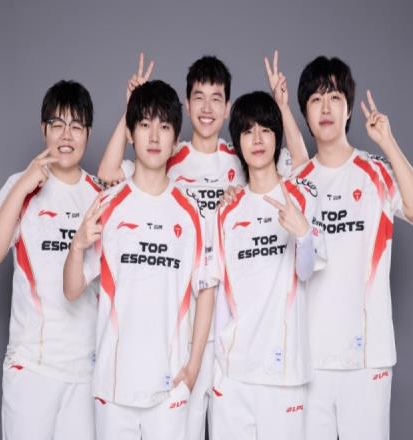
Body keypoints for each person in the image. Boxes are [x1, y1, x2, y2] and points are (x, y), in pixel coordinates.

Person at [97, 51, 308, 439]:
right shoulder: (168, 153)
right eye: (199, 97)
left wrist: (282, 107)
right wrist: (133, 107)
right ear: (186, 103)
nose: (207, 108)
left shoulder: (241, 154)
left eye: (216, 99)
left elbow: (300, 169)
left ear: (228, 107)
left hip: (230, 319)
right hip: (181, 319)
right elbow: (108, 173)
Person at [63, 80, 215, 440]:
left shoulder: (192, 212)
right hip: (113, 385)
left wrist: (193, 367)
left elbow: (206, 289)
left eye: (165, 126)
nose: (154, 136)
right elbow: (71, 290)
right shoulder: (107, 205)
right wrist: (76, 246)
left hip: (170, 385)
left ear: (175, 141)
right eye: (145, 124)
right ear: (130, 134)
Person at [293, 56, 413, 440]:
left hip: (368, 357)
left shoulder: (376, 171)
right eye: (316, 99)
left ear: (349, 109)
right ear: (305, 114)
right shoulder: (296, 184)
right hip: (310, 360)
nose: (325, 108)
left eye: (334, 97)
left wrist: (387, 142)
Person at [0, 80, 101, 440]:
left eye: (76, 126)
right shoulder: (21, 185)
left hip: (85, 369)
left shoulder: (98, 195)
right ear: (43, 129)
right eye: (57, 124)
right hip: (32, 364)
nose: (67, 135)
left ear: (88, 133)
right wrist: (23, 186)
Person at [208, 91, 325, 439]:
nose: (257, 139)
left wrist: (303, 234)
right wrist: (217, 367)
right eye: (247, 131)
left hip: (284, 372)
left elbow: (306, 272)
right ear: (238, 142)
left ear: (277, 136)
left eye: (265, 130)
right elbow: (218, 293)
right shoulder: (227, 210)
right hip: (233, 374)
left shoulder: (302, 196)